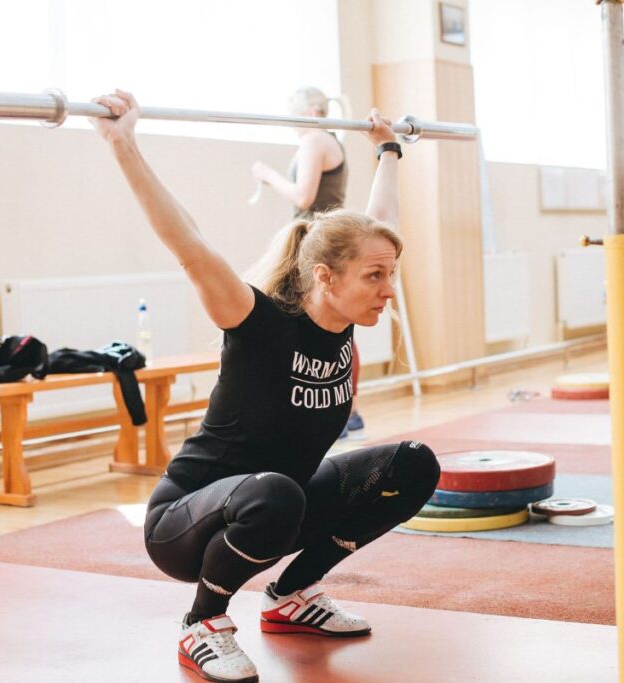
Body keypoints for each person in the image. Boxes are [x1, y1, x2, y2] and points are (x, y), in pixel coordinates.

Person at [93, 90, 440, 683]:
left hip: (281, 503)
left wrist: (387, 150)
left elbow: (380, 228)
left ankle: (291, 596)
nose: (387, 290)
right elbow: (188, 244)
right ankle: (202, 623)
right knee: (277, 492)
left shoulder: (345, 319)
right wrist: (122, 141)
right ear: (325, 278)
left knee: (411, 465)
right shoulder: (257, 323)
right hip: (189, 523)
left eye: (390, 275)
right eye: (374, 277)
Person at [251, 86, 365, 439]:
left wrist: (267, 175)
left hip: (319, 240)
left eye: (294, 117)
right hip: (318, 237)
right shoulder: (328, 140)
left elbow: (304, 196)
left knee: (332, 323)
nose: (292, 126)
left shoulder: (315, 140)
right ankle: (342, 408)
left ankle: (346, 408)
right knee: (328, 322)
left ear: (312, 113)